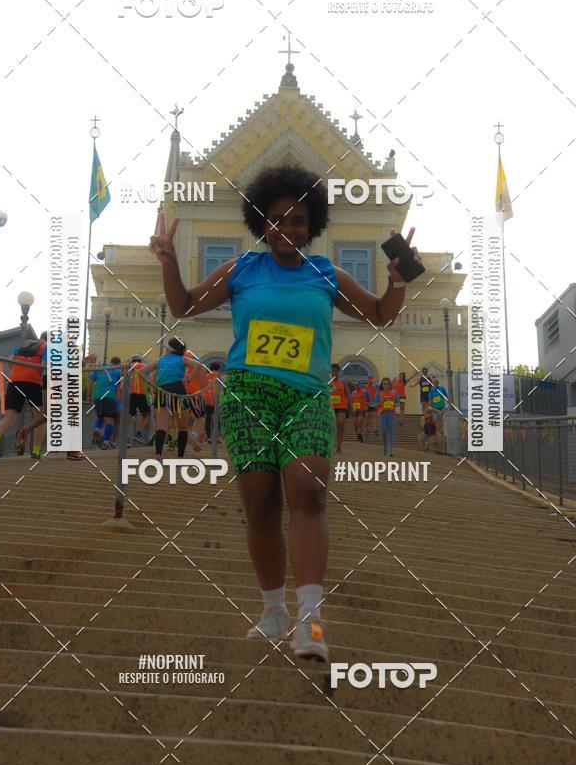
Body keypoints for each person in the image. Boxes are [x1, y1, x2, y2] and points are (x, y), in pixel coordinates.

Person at [149, 164, 419, 662]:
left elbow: (380, 315)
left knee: (310, 493)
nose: (288, 228)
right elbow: (185, 305)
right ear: (261, 221)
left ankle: (310, 620)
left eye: (298, 220)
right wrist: (168, 260)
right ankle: (272, 612)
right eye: (277, 218)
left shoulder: (326, 274)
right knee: (260, 507)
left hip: (308, 396)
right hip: (249, 393)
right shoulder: (242, 270)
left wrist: (398, 281)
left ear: (311, 225)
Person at [16, 332, 85, 460]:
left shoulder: (50, 345)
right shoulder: (69, 345)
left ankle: (24, 431)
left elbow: (44, 366)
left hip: (48, 379)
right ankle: (72, 451)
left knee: (46, 415)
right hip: (62, 379)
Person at [139, 339, 205, 460]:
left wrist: (151, 384)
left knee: (161, 426)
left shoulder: (160, 360)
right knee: (182, 427)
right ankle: (180, 456)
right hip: (178, 390)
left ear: (169, 349)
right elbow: (198, 365)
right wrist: (188, 379)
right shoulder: (182, 359)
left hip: (161, 391)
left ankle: (158, 455)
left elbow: (142, 371)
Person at [0, 335, 46, 463]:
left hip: (14, 381)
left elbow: (10, 362)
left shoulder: (21, 346)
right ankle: (35, 451)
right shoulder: (45, 348)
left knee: (9, 418)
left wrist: (20, 371)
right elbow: (42, 367)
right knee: (40, 418)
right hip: (33, 383)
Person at [89, 357, 121, 449]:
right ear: (118, 364)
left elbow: (90, 381)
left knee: (100, 417)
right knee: (109, 420)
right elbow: (122, 385)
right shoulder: (118, 371)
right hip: (110, 396)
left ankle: (97, 429)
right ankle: (106, 442)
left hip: (97, 396)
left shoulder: (99, 369)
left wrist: (89, 395)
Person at [128, 354, 151, 443]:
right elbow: (149, 381)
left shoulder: (128, 367)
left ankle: (127, 440)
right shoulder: (144, 366)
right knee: (147, 415)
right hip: (142, 394)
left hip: (132, 394)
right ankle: (139, 433)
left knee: (130, 416)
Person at [330, 363, 351, 454]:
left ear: (338, 372)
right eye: (332, 371)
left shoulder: (343, 382)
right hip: (330, 406)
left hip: (342, 406)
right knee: (331, 425)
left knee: (340, 423)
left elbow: (348, 395)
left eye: (336, 371)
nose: (334, 373)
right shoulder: (327, 382)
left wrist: (352, 407)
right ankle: (332, 442)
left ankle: (339, 446)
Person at [377, 377, 400, 457]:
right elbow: (374, 405)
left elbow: (398, 403)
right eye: (384, 384)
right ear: (382, 385)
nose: (386, 385)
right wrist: (382, 402)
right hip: (382, 414)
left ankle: (391, 449)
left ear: (390, 385)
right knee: (383, 432)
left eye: (387, 384)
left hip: (391, 413)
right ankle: (385, 447)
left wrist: (394, 404)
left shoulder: (394, 393)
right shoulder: (379, 393)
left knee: (391, 431)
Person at [203, 362, 222, 441]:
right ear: (218, 368)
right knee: (216, 419)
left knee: (208, 418)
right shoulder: (218, 376)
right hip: (215, 399)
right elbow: (221, 387)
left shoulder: (206, 376)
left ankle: (208, 437)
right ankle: (216, 436)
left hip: (206, 399)